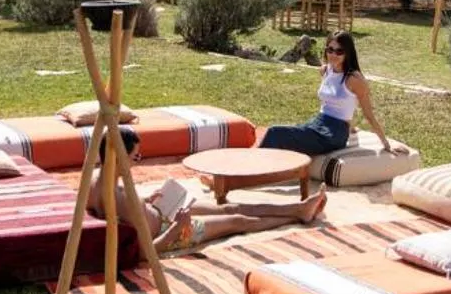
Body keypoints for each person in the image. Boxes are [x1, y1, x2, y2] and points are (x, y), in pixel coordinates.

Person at [257, 31, 409, 158]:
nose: (333, 54)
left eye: (339, 51)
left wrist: (386, 144)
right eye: (330, 49)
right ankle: (260, 167)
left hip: (334, 133)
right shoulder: (325, 70)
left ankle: (251, 169)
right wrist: (352, 126)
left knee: (275, 132)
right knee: (284, 134)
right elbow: (332, 102)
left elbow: (369, 115)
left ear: (347, 53)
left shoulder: (354, 79)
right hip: (317, 122)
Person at [86, 174, 328, 252]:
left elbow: (128, 210)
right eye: (134, 155)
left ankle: (299, 207)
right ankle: (298, 216)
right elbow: (146, 251)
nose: (136, 160)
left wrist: (146, 200)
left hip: (163, 211)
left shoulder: (107, 180)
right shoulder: (101, 189)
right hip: (171, 231)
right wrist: (177, 227)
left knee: (229, 207)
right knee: (236, 220)